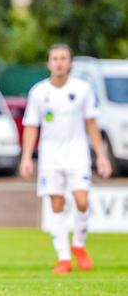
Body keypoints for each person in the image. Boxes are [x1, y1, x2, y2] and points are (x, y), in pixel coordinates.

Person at [19, 44, 112, 274]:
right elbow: (31, 125)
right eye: (54, 58)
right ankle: (63, 258)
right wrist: (27, 157)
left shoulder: (82, 89)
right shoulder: (38, 92)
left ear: (70, 63)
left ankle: (79, 245)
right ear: (49, 63)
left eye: (63, 58)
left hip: (77, 152)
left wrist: (101, 156)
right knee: (56, 204)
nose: (59, 62)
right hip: (50, 155)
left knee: (81, 200)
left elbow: (91, 123)